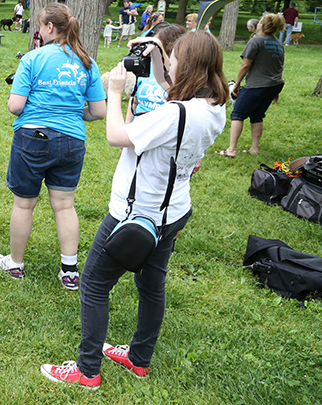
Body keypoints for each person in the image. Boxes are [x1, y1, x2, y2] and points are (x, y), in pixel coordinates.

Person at [40, 30, 228, 389]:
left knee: (94, 284)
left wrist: (113, 93)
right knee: (152, 285)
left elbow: (117, 135)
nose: (168, 64)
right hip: (172, 212)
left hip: (136, 215)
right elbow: (172, 86)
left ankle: (87, 371)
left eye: (173, 59)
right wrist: (157, 54)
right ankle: (139, 359)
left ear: (187, 66)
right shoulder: (216, 104)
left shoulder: (174, 115)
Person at [0, 3, 106, 287]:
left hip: (33, 138)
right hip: (71, 141)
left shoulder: (33, 59)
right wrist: (69, 112)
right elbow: (98, 111)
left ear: (50, 28)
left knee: (23, 205)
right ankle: (69, 271)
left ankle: (15, 264)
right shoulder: (87, 61)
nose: (39, 31)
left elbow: (15, 106)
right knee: (65, 205)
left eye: (40, 26)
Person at [216, 13, 285, 158]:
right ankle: (254, 149)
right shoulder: (279, 44)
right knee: (257, 115)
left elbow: (245, 65)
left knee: (237, 115)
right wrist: (276, 91)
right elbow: (279, 67)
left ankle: (231, 150)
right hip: (274, 85)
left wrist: (238, 83)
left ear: (263, 25)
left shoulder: (256, 41)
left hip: (257, 85)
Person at [127, 23, 186, 120]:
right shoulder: (147, 68)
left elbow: (165, 76)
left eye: (157, 44)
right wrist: (127, 126)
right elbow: (135, 100)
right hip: (137, 129)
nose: (152, 47)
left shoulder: (179, 76)